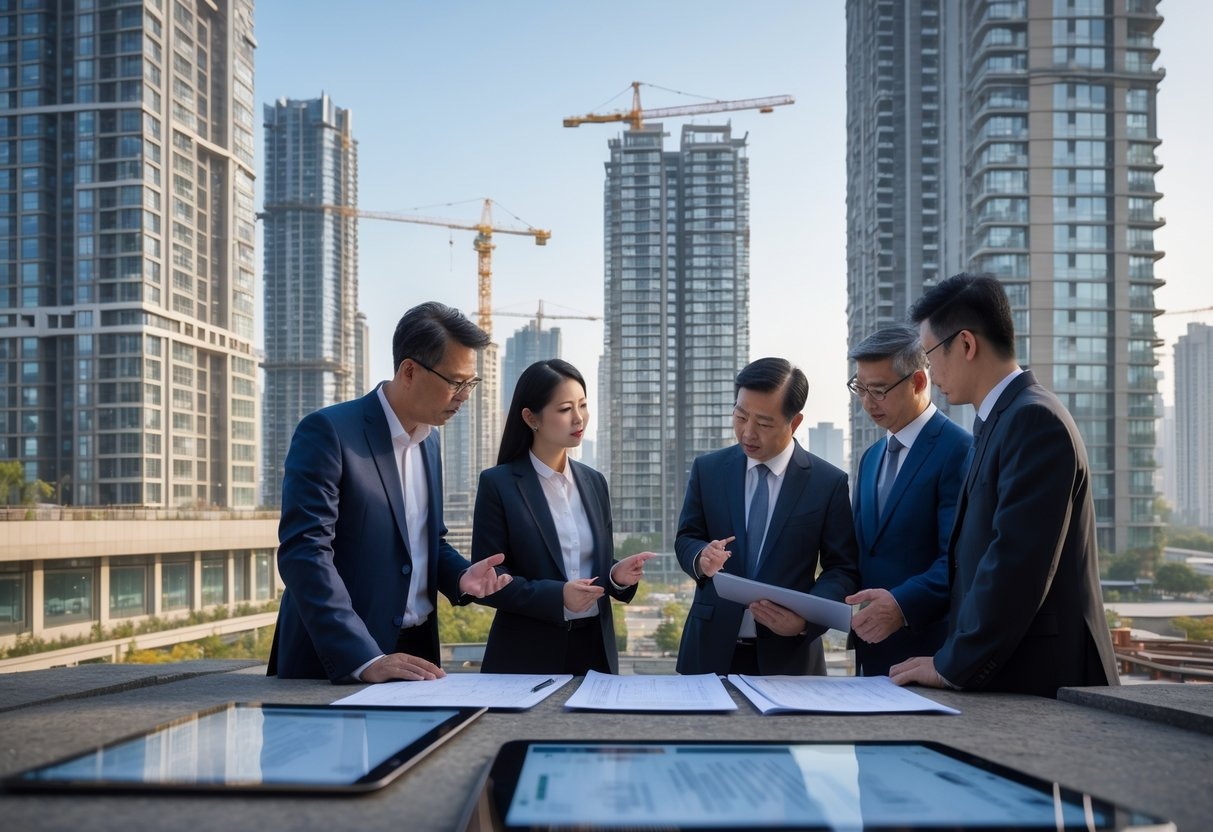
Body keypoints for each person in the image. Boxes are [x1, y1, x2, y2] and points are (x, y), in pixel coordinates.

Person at [892, 273, 1119, 697]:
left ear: (965, 344)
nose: (929, 370)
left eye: (929, 355)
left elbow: (1015, 563)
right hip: (1016, 672)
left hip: (1046, 679)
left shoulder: (1034, 421)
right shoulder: (1001, 420)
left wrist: (951, 665)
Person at [268, 301, 513, 683]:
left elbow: (425, 539)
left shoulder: (430, 443)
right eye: (455, 382)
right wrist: (364, 658)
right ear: (409, 370)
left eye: (471, 383)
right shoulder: (329, 432)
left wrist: (460, 577)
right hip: (341, 659)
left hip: (416, 651)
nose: (465, 395)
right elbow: (305, 553)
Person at [674, 357, 860, 676]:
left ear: (795, 422)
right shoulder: (709, 470)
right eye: (740, 415)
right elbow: (687, 538)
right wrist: (700, 558)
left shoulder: (827, 483)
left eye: (763, 423)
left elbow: (842, 569)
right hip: (708, 651)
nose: (748, 433)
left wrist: (804, 621)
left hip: (789, 657)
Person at [471, 359, 655, 674]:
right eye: (565, 409)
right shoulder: (498, 484)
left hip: (596, 653)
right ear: (531, 418)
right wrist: (559, 597)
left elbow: (591, 567)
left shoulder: (594, 481)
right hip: (526, 656)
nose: (579, 417)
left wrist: (615, 576)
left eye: (583, 405)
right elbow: (489, 581)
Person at [844, 325, 972, 676]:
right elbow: (862, 552)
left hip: (928, 651)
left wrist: (901, 605)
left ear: (917, 382)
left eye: (879, 390)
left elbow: (959, 557)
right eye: (860, 388)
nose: (868, 402)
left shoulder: (959, 450)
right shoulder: (870, 457)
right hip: (870, 650)